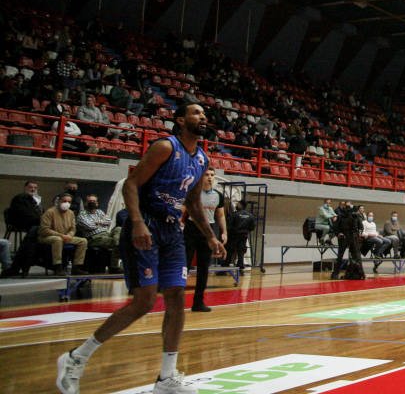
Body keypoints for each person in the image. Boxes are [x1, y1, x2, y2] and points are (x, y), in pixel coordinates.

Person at [56, 102, 224, 394]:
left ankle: (167, 378)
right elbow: (131, 185)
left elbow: (194, 203)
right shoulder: (164, 147)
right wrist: (136, 223)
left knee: (176, 298)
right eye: (197, 113)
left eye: (205, 115)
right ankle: (75, 358)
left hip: (172, 229)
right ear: (181, 120)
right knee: (145, 301)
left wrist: (209, 236)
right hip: (146, 223)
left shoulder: (201, 159)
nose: (203, 117)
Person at [184, 168, 226, 312]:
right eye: (207, 175)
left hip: (208, 231)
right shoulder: (193, 193)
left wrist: (224, 232)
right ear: (201, 177)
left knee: (204, 268)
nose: (209, 177)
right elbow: (182, 209)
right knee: (185, 264)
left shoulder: (218, 195)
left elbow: (220, 215)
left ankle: (198, 302)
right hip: (191, 228)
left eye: (212, 175)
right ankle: (175, 300)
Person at [39, 194, 89, 276]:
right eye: (64, 201)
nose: (67, 203)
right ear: (59, 202)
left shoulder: (71, 213)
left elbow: (73, 228)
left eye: (69, 202)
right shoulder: (50, 212)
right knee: (57, 239)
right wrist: (62, 236)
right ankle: (57, 266)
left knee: (83, 241)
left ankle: (76, 266)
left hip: (65, 237)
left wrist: (69, 236)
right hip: (46, 237)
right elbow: (44, 230)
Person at [76, 195, 121, 273]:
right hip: (93, 238)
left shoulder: (100, 212)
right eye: (90, 201)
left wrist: (98, 222)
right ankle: (114, 266)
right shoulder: (82, 214)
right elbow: (89, 226)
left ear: (97, 203)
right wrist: (102, 222)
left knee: (119, 229)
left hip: (106, 234)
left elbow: (109, 221)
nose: (92, 203)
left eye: (94, 201)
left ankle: (119, 245)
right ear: (86, 203)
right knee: (116, 242)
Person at [224, 201, 256, 269]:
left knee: (229, 251)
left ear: (241, 205)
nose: (237, 204)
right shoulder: (250, 215)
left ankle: (225, 268)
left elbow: (228, 226)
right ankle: (240, 268)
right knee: (241, 252)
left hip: (233, 235)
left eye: (238, 203)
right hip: (244, 236)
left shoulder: (235, 214)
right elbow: (252, 227)